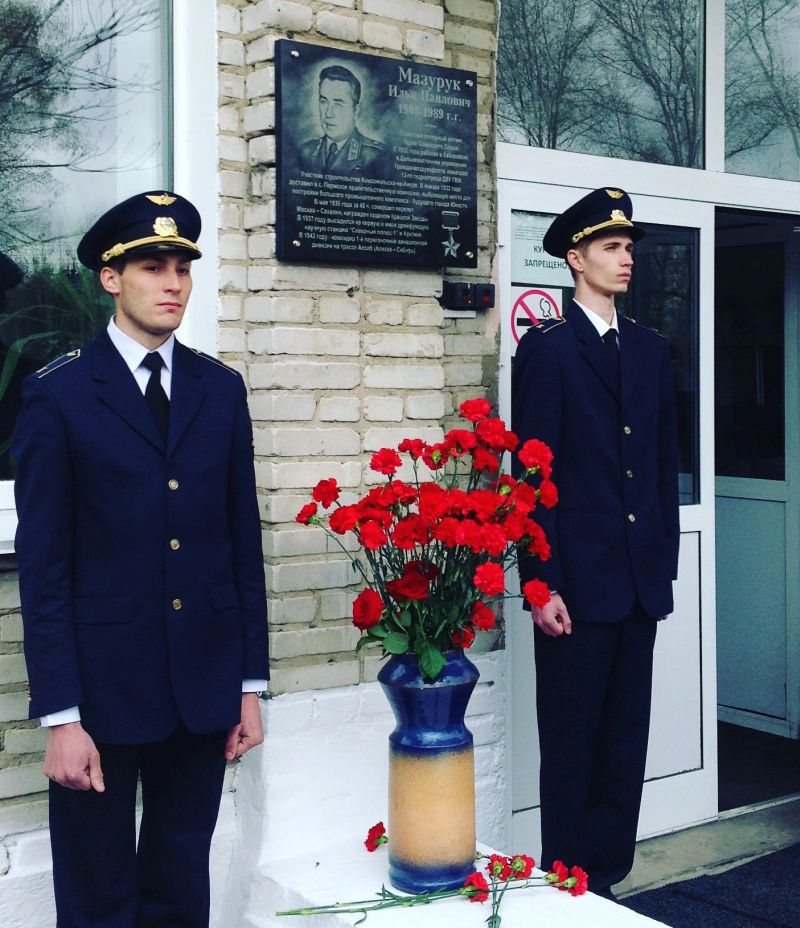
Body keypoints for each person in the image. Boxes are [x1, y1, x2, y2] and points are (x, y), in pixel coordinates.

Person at [13, 190, 270, 928]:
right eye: (153, 267)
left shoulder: (220, 389)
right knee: (97, 895)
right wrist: (61, 717)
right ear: (110, 278)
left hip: (202, 685)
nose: (173, 284)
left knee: (181, 885)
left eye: (182, 268)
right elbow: (45, 569)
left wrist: (248, 684)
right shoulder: (59, 394)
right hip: (101, 694)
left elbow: (240, 543)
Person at [512, 187, 680, 900]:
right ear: (576, 259)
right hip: (576, 586)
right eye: (612, 247)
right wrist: (539, 581)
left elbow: (661, 464)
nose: (626, 258)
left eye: (629, 248)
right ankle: (567, 882)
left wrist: (663, 563)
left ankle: (607, 879)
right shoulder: (548, 350)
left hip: (637, 582)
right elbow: (532, 473)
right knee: (572, 741)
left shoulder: (650, 349)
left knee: (623, 741)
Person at [298, 64, 393, 180]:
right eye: (324, 102)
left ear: (355, 111)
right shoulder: (306, 151)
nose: (329, 113)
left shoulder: (375, 156)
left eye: (338, 104)